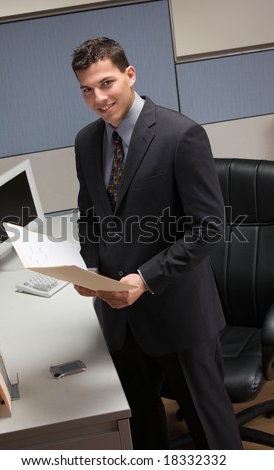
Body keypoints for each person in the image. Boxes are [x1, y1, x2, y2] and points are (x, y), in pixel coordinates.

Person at [71, 37, 243, 450]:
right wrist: (90, 268)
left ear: (130, 75)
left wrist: (145, 279)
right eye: (87, 90)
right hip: (118, 317)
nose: (98, 98)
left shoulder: (181, 135)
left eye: (107, 83)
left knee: (210, 429)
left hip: (178, 314)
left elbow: (209, 227)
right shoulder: (85, 141)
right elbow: (91, 215)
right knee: (141, 431)